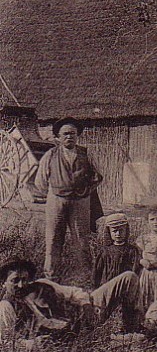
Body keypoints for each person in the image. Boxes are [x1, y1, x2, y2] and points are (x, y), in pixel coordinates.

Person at [0, 257, 142, 345]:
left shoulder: (41, 284)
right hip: (68, 338)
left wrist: (86, 305)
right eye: (15, 281)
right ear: (3, 283)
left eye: (24, 279)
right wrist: (31, 344)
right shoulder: (6, 306)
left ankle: (131, 327)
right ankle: (127, 338)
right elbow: (5, 341)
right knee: (139, 340)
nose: (21, 285)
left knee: (128, 277)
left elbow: (74, 292)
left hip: (85, 314)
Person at [34, 116, 103, 281]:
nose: (69, 137)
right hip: (56, 201)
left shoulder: (86, 154)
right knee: (53, 239)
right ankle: (50, 276)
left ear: (78, 135)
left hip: (80, 202)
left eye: (72, 133)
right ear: (58, 137)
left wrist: (86, 191)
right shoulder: (50, 154)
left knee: (81, 240)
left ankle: (85, 275)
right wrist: (53, 192)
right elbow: (40, 181)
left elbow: (98, 176)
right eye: (65, 134)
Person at [93, 212, 141, 289]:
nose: (118, 234)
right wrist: (96, 288)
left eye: (121, 230)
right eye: (114, 231)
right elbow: (97, 271)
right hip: (108, 286)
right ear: (109, 232)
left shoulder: (132, 250)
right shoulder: (105, 251)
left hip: (125, 286)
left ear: (126, 231)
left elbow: (135, 270)